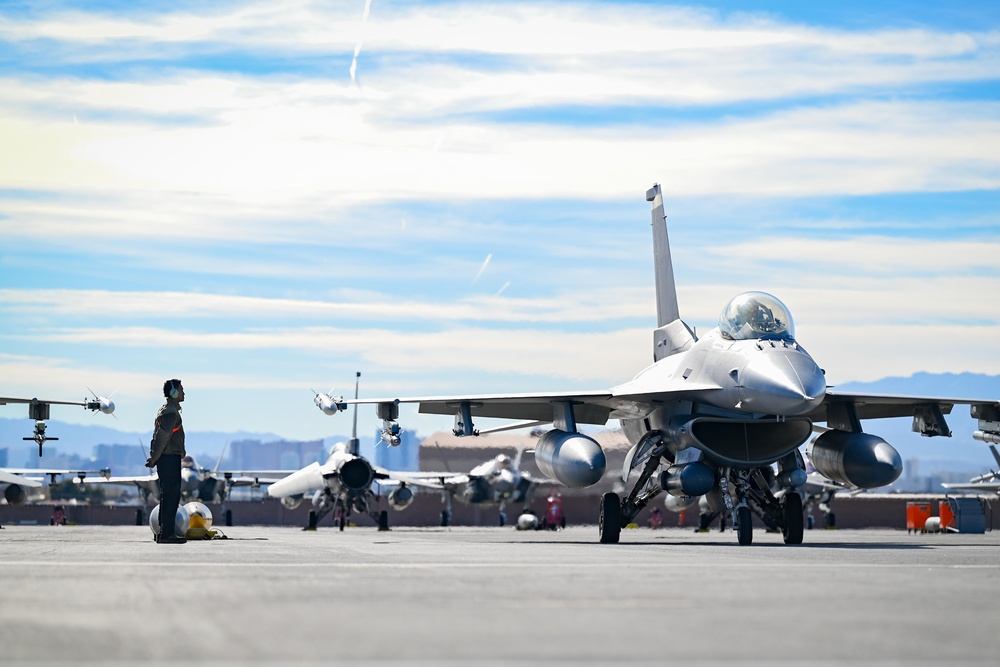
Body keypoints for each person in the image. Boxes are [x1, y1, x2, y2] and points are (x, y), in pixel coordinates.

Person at [146, 379, 187, 544]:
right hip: (169, 458)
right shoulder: (170, 413)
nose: (184, 393)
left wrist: (155, 457)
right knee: (171, 496)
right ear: (174, 393)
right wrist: (154, 458)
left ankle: (163, 532)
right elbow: (162, 438)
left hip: (167, 458)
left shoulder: (167, 411)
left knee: (167, 495)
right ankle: (166, 534)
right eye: (181, 390)